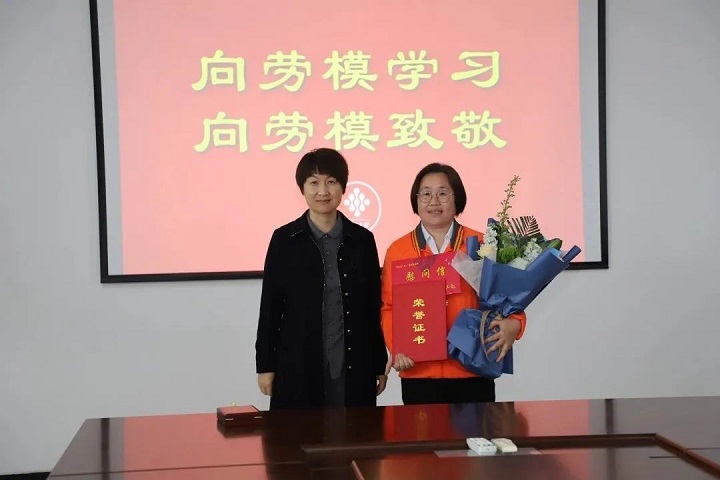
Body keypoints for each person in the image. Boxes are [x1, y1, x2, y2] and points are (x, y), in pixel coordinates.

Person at [381, 163, 527, 405]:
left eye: (442, 193)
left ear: (457, 198)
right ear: (416, 200)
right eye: (426, 194)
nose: (433, 201)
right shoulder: (398, 250)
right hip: (420, 371)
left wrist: (516, 323)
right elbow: (388, 307)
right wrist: (397, 347)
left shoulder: (482, 244)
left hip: (472, 367)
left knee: (477, 431)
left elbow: (509, 298)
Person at [255, 147, 388, 410]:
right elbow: (270, 306)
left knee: (355, 433)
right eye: (314, 183)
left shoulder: (362, 240)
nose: (323, 191)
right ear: (302, 188)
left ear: (343, 187)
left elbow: (373, 308)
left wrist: (378, 364)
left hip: (353, 364)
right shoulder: (284, 239)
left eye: (331, 182)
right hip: (298, 364)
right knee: (298, 434)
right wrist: (265, 365)